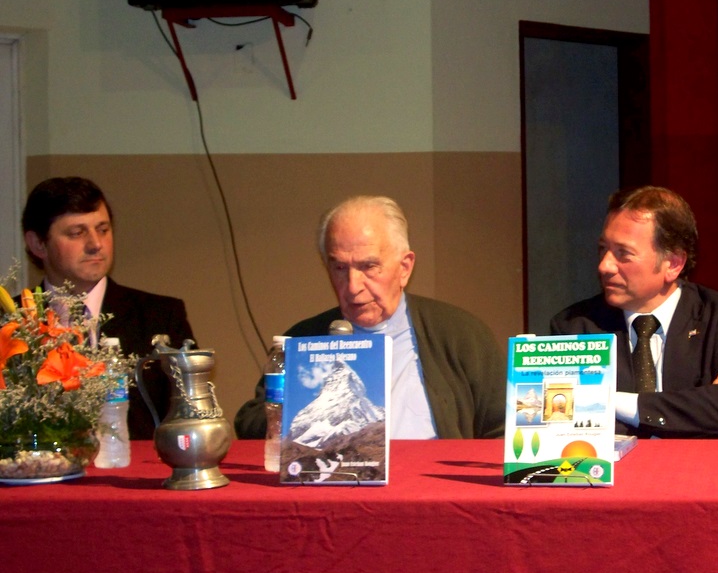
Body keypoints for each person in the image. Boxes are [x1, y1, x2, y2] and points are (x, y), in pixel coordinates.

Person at [234, 195, 505, 440]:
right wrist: (302, 408)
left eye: (369, 266)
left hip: (430, 479)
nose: (353, 286)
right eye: (340, 268)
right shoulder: (302, 340)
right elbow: (250, 422)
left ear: (404, 268)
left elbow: (502, 429)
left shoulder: (461, 335)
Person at [549, 185, 718, 438]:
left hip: (702, 463)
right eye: (603, 249)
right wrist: (699, 407)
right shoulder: (575, 326)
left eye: (623, 254)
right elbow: (563, 420)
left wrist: (609, 401)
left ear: (673, 264)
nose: (605, 266)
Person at [21, 176, 196, 440]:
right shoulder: (11, 321)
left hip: (132, 461)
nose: (96, 244)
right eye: (77, 233)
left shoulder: (160, 316)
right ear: (38, 244)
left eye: (103, 229)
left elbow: (190, 419)